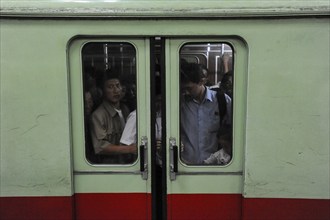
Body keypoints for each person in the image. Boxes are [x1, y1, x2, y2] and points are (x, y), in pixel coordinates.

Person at [180, 63, 232, 165]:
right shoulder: (180, 103)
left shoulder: (222, 101)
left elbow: (231, 130)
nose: (186, 92)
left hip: (215, 164)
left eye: (189, 88)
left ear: (202, 82)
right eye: (183, 89)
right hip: (186, 164)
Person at [89, 69, 137, 164]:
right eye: (110, 87)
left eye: (118, 86)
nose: (116, 90)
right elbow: (101, 147)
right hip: (112, 165)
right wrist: (129, 149)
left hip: (129, 162)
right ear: (103, 90)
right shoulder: (98, 115)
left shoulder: (125, 109)